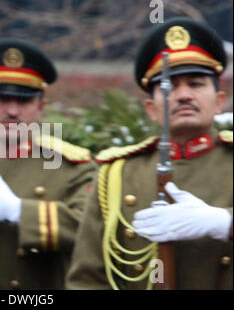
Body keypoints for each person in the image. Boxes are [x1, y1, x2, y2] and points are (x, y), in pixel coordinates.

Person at [66, 17, 232, 290]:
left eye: (196, 83)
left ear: (219, 102)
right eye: (169, 87)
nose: (183, 95)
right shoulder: (118, 173)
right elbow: (88, 277)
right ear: (151, 109)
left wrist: (225, 222)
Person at [0, 38, 97, 289]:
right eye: (3, 99)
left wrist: (17, 211)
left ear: (41, 106)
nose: (13, 111)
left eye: (24, 101)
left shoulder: (71, 167)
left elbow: (90, 230)